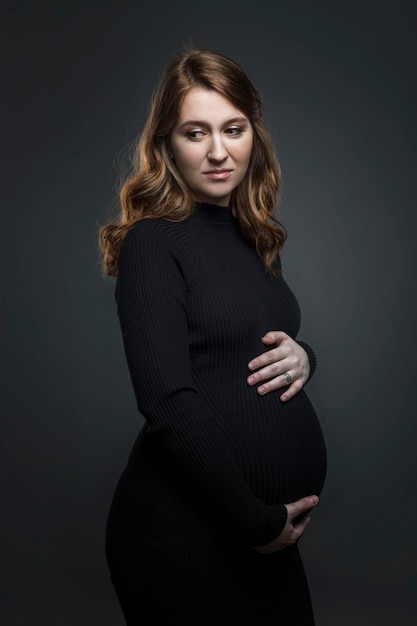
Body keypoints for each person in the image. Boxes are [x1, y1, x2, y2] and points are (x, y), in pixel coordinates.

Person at [98, 47, 327, 625]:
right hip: (185, 536)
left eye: (234, 129)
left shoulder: (250, 236)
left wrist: (307, 357)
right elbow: (166, 400)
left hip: (262, 533)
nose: (219, 151)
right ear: (167, 145)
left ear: (254, 133)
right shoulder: (153, 242)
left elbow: (250, 339)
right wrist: (254, 520)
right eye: (195, 132)